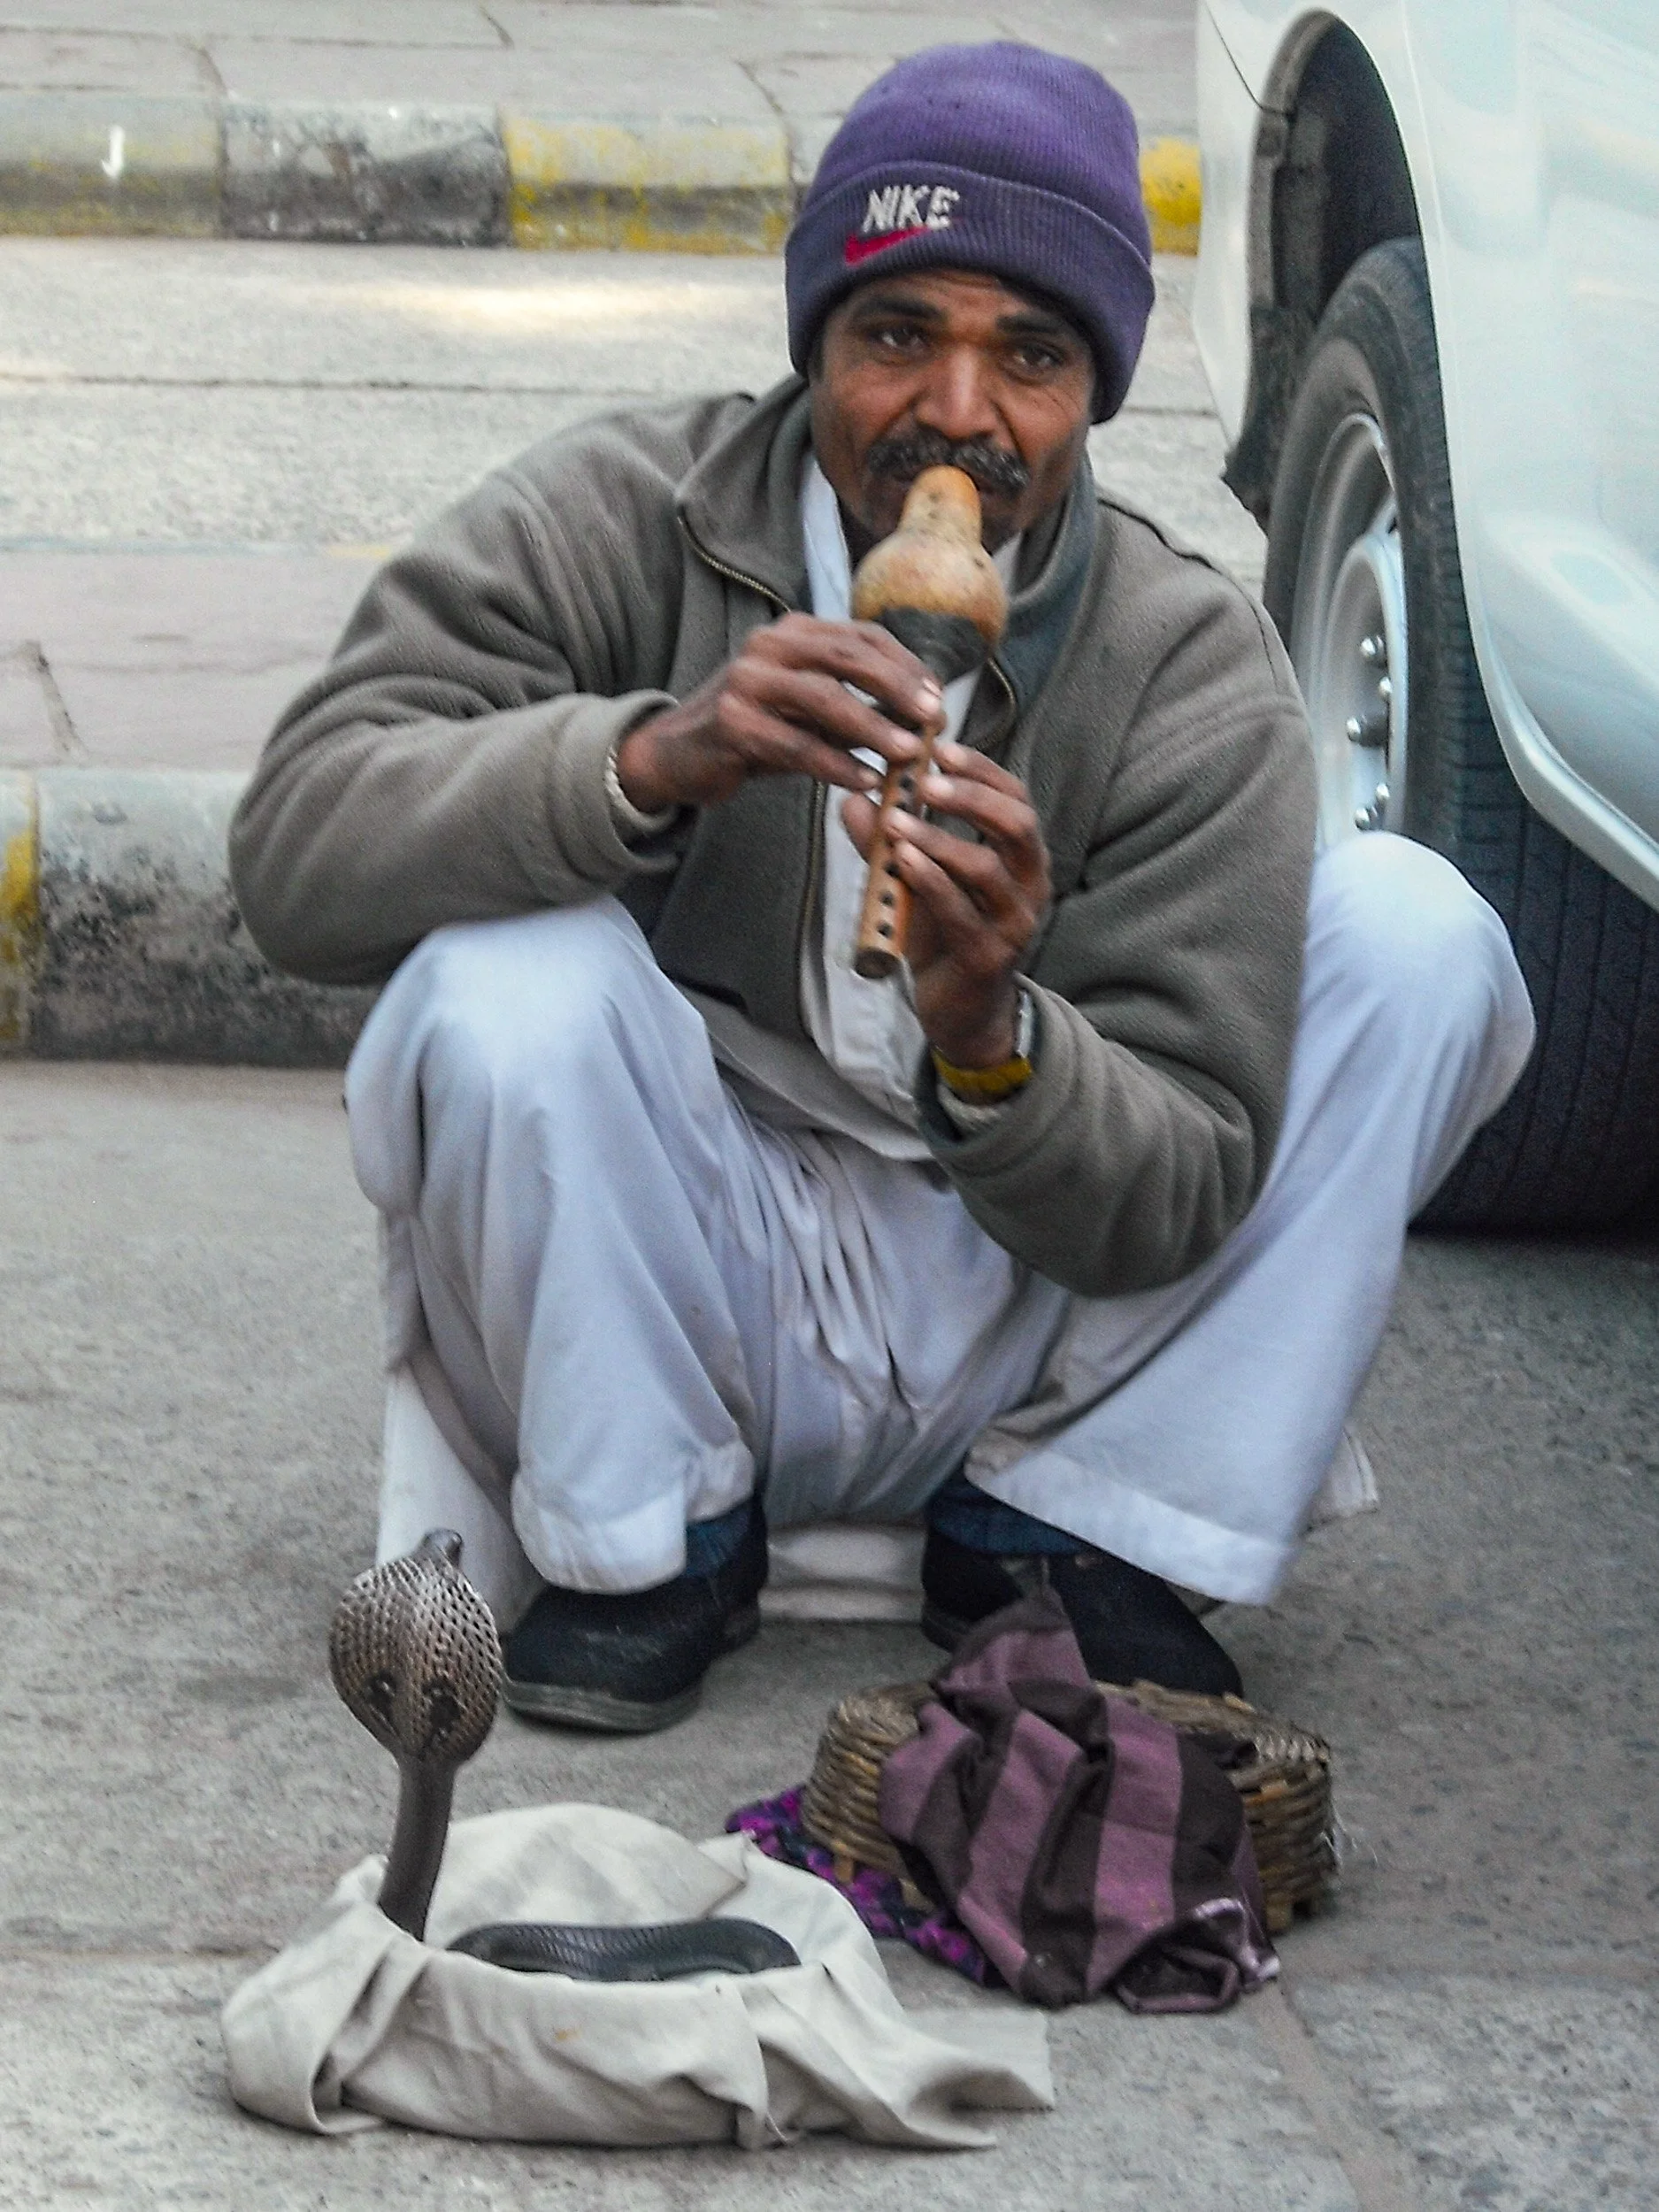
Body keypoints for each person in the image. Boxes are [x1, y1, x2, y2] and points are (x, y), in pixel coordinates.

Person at [230, 43, 1533, 1732]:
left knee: (1417, 933)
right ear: (816, 348)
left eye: (1032, 359)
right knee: (504, 979)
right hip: (677, 1255)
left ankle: (1076, 1537)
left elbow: (1182, 1188)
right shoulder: (624, 516)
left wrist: (994, 1034)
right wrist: (647, 761)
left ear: (1096, 394)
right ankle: (650, 1541)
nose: (959, 417)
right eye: (898, 336)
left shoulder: (1182, 659)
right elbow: (294, 858)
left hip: (1020, 1287)